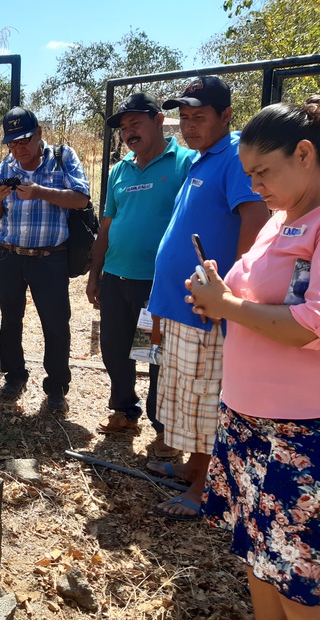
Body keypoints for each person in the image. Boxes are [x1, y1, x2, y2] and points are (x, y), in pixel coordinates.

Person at [189, 102, 320, 618]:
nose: (256, 185)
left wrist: (228, 305)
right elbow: (249, 300)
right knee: (259, 557)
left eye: (263, 172)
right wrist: (217, 290)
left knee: (298, 576)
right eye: (249, 175)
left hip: (297, 433)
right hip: (245, 419)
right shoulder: (279, 221)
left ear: (305, 153)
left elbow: (311, 323)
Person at [146, 76, 269, 520]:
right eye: (184, 117)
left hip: (207, 311)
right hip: (184, 307)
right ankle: (191, 468)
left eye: (199, 117)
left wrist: (231, 292)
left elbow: (254, 219)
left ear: (226, 116)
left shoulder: (234, 157)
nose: (189, 125)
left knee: (205, 402)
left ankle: (202, 491)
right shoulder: (203, 160)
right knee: (187, 397)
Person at [87, 93, 195, 456]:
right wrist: (95, 272)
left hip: (158, 283)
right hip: (116, 278)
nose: (128, 132)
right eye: (123, 128)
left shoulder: (184, 163)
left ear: (158, 120)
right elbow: (106, 226)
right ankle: (124, 411)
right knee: (116, 350)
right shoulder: (120, 170)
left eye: (135, 123)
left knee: (154, 355)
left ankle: (164, 428)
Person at [0, 107, 91, 411]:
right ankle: (14, 376)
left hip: (50, 257)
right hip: (9, 254)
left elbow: (82, 199)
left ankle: (56, 387)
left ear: (40, 133)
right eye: (12, 143)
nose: (18, 149)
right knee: (10, 320)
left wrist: (40, 192)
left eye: (24, 141)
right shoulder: (7, 164)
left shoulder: (62, 157)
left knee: (56, 323)